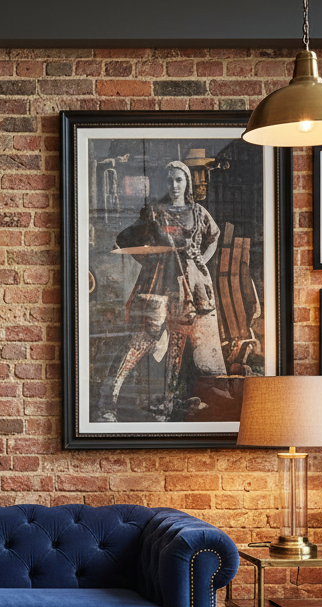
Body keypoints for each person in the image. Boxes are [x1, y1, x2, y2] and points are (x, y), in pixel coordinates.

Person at [98, 160, 226, 422]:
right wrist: (151, 261)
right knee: (141, 340)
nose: (174, 185)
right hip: (155, 286)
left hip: (189, 288)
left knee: (177, 343)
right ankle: (107, 403)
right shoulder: (154, 213)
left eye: (179, 180)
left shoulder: (199, 212)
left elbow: (213, 237)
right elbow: (125, 240)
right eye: (170, 181)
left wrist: (201, 259)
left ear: (187, 182)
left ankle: (166, 406)